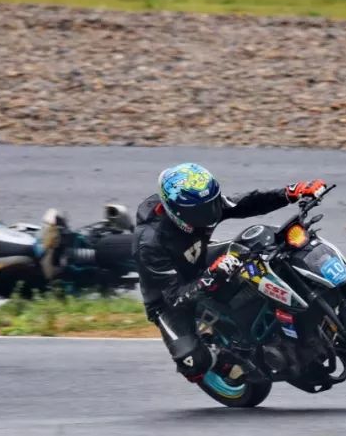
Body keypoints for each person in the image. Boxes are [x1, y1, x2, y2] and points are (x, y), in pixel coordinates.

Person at [132, 163, 325, 382]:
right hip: (168, 299)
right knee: (193, 362)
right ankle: (224, 361)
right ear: (176, 211)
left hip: (200, 260)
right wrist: (211, 275)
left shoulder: (203, 206)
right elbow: (175, 298)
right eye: (202, 210)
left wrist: (290, 193)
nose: (212, 212)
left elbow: (244, 204)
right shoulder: (150, 244)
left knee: (264, 244)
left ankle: (295, 317)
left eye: (213, 202)